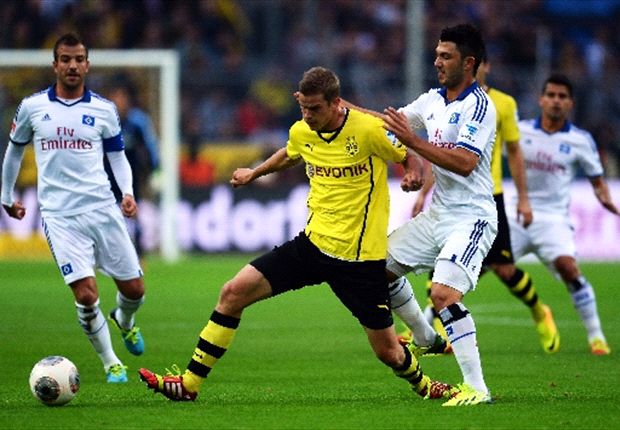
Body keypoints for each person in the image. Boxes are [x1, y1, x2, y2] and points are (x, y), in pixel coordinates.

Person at [138, 66, 455, 402]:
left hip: (358, 260)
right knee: (232, 293)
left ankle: (424, 385)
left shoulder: (368, 130)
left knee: (388, 352)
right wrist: (255, 173)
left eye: (315, 108)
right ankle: (189, 384)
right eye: (303, 107)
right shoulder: (302, 130)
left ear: (336, 103)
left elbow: (409, 153)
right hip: (312, 246)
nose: (308, 115)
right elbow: (291, 153)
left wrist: (413, 174)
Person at [344, 23, 497, 406]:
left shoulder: (479, 106)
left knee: (443, 294)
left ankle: (477, 388)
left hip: (472, 218)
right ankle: (427, 338)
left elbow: (464, 163)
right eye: (437, 55)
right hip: (438, 214)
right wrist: (342, 107)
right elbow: (388, 123)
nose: (437, 62)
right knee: (373, 270)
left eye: (446, 56)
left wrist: (413, 142)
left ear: (469, 62)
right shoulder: (432, 101)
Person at [0, 33, 146, 383]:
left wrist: (127, 192)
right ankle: (111, 363)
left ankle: (124, 320)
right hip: (60, 216)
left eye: (79, 59)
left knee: (135, 290)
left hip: (102, 208)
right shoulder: (32, 107)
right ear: (55, 65)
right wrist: (6, 195)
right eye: (65, 59)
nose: (72, 65)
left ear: (87, 65)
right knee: (86, 294)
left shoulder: (104, 110)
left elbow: (117, 156)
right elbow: (14, 151)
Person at [406, 52, 560, 354]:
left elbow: (514, 151)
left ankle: (539, 309)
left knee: (504, 269)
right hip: (450, 199)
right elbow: (443, 152)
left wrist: (523, 199)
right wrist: (424, 193)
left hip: (488, 196)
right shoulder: (446, 103)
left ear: (482, 66)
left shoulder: (501, 104)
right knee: (440, 267)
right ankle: (436, 330)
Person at [506, 73, 618, 355]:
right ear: (541, 99)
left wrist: (607, 200)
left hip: (553, 219)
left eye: (562, 97)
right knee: (475, 265)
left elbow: (598, 181)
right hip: (516, 213)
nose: (556, 101)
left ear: (570, 103)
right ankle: (431, 324)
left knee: (569, 268)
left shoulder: (580, 140)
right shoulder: (519, 130)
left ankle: (596, 336)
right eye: (551, 95)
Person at [105, 78, 160, 264]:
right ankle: (103, 254)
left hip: (131, 174)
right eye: (115, 97)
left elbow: (150, 145)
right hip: (106, 174)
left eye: (122, 97)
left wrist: (155, 168)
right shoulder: (104, 120)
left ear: (128, 100)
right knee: (104, 214)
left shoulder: (138, 121)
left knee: (133, 213)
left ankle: (139, 253)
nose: (119, 101)